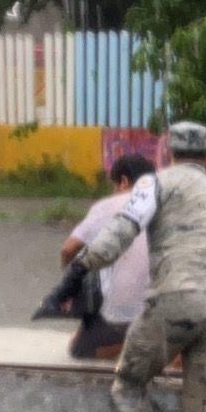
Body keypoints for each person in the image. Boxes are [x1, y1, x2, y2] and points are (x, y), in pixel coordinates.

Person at [67, 121, 206, 412]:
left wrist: (80, 269)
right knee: (201, 410)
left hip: (174, 303)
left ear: (169, 152)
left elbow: (119, 233)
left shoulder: (155, 183)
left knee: (127, 389)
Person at [58, 154, 154, 360]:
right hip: (162, 308)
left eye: (113, 185)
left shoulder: (108, 207)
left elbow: (68, 250)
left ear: (124, 181)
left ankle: (131, 343)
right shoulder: (164, 206)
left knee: (79, 350)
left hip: (123, 312)